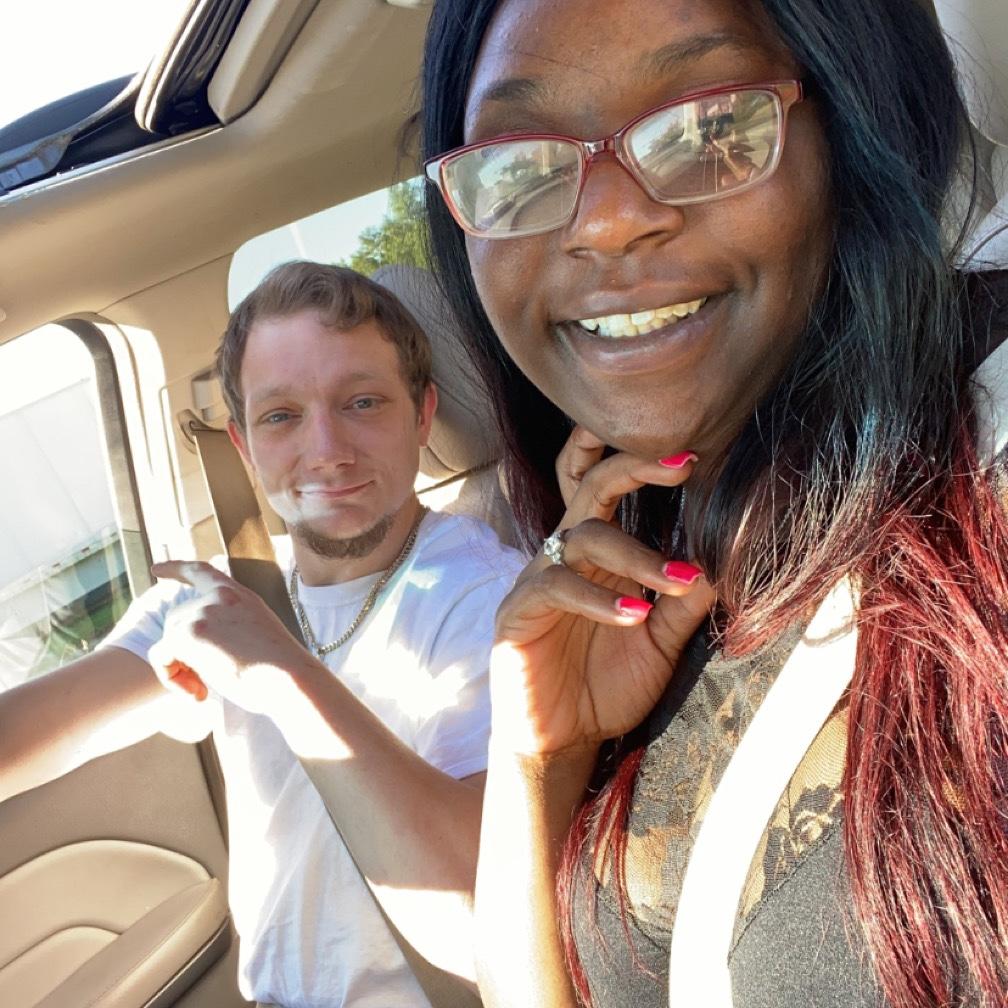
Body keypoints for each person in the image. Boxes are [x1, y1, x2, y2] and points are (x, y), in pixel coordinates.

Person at [419, 1, 1008, 1007]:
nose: (605, 221)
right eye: (519, 166)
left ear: (854, 130)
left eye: (708, 126)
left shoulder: (984, 472)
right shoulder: (645, 540)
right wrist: (538, 761)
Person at [0, 261, 525, 1008]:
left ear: (421, 414)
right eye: (281, 416)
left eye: (363, 402)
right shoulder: (222, 594)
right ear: (244, 445)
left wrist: (279, 674)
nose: (327, 450)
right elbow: (28, 733)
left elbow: (485, 918)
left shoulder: (492, 600)